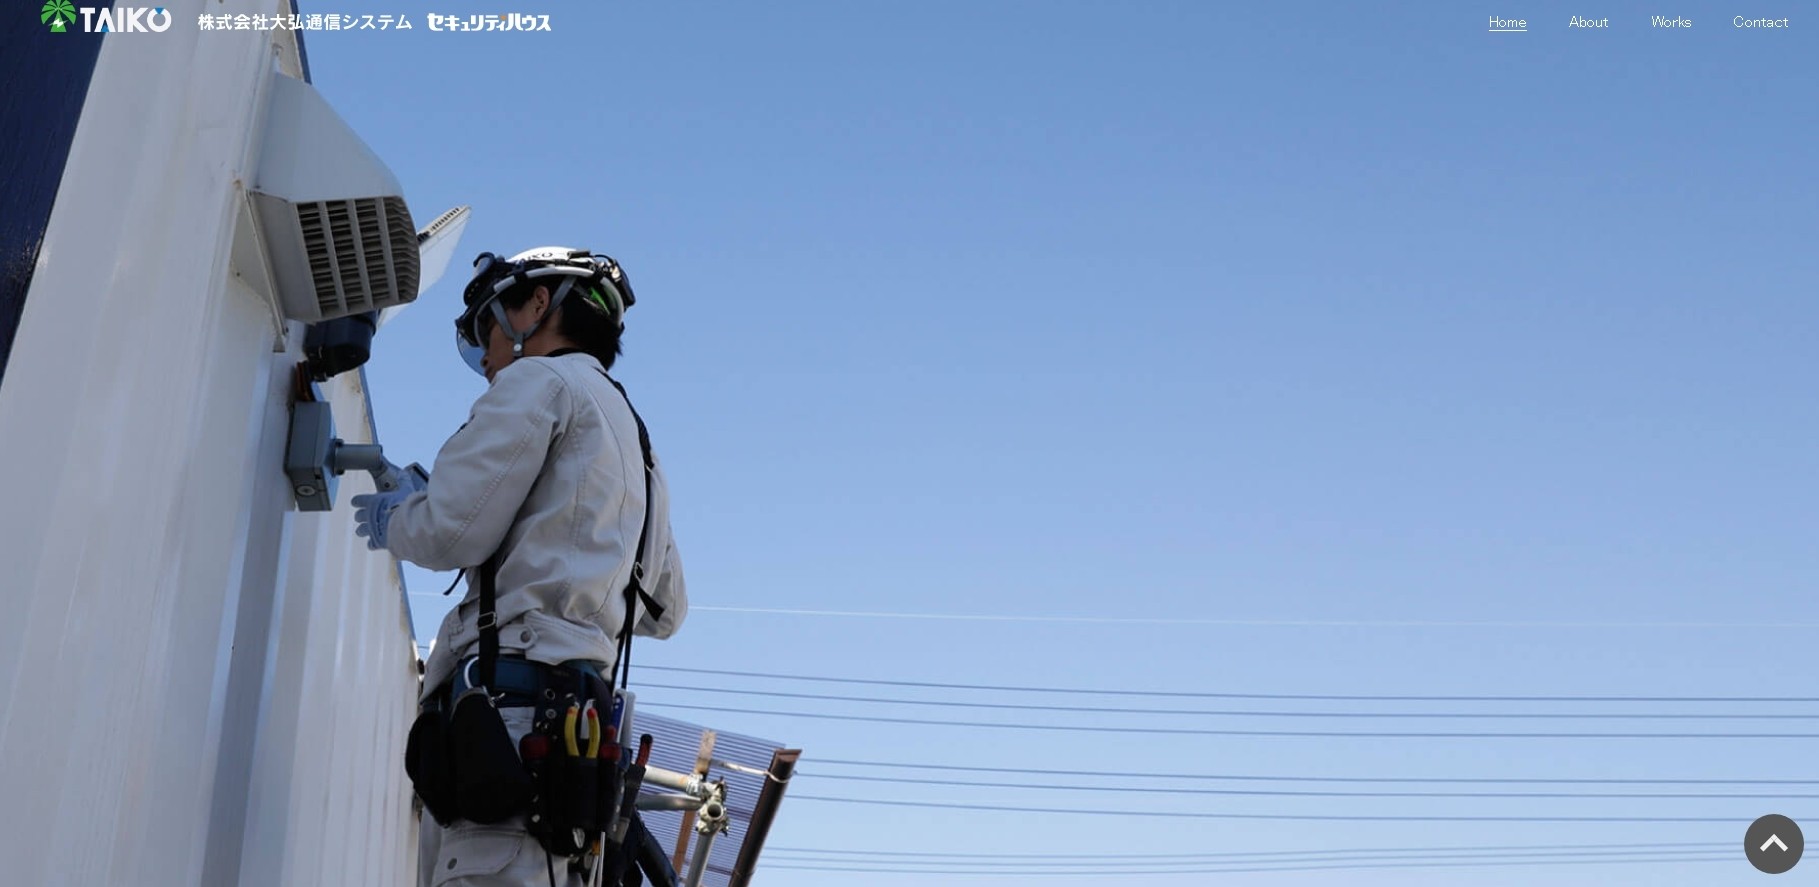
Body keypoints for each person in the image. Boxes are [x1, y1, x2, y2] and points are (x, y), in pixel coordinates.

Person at [350, 246, 688, 886]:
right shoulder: (638, 443)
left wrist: (398, 516)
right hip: (574, 751)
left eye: (489, 327)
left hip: (507, 728)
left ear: (538, 305)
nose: (486, 357)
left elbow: (450, 532)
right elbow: (664, 609)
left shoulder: (541, 382)